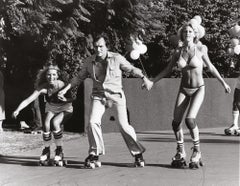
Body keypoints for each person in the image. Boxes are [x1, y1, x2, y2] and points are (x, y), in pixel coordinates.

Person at [58, 33, 152, 168]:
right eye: (96, 47)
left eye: (101, 46)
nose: (98, 50)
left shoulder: (117, 58)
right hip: (99, 96)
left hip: (116, 96)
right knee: (92, 122)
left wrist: (144, 78)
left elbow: (131, 69)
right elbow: (78, 77)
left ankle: (138, 154)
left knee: (124, 126)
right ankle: (94, 155)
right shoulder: (89, 61)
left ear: (107, 47)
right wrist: (65, 89)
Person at [147, 17, 231, 169]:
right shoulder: (178, 52)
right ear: (182, 34)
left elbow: (211, 67)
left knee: (190, 120)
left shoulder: (200, 49)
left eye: (190, 31)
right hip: (184, 89)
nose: (187, 33)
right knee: (175, 123)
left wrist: (223, 83)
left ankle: (197, 151)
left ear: (195, 34)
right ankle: (181, 151)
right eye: (185, 31)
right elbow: (167, 70)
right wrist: (152, 81)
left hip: (199, 88)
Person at [12, 65, 73, 166]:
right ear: (46, 76)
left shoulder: (63, 85)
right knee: (46, 123)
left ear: (58, 75)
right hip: (52, 108)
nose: (51, 77)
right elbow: (29, 99)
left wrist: (65, 99)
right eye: (49, 75)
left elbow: (71, 99)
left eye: (54, 75)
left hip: (65, 108)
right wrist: (18, 110)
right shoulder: (43, 87)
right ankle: (46, 150)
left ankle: (59, 150)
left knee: (55, 123)